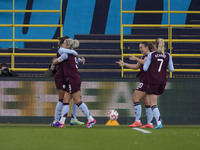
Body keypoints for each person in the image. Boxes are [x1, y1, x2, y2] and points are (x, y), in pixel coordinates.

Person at [52, 36, 96, 128]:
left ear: (67, 46)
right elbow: (76, 59)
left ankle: (90, 119)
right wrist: (77, 55)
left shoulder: (65, 54)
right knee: (66, 100)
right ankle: (61, 122)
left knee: (77, 101)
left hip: (72, 79)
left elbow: (59, 58)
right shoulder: (72, 55)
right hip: (72, 79)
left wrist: (54, 63)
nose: (62, 45)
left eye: (63, 44)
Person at [116, 42, 155, 128]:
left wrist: (135, 58)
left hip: (146, 81)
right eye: (139, 48)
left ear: (147, 47)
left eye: (141, 47)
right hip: (147, 80)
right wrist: (124, 64)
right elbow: (136, 66)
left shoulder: (151, 55)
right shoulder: (143, 56)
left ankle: (138, 121)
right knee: (146, 102)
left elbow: (145, 63)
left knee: (135, 98)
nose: (140, 49)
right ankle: (150, 123)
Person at [50, 36, 85, 127]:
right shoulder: (62, 50)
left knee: (75, 98)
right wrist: (75, 53)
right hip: (61, 77)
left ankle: (73, 118)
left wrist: (80, 59)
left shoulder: (66, 52)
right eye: (67, 42)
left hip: (67, 77)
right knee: (62, 99)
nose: (70, 43)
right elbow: (69, 54)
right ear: (63, 44)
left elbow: (72, 58)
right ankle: (56, 120)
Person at [143, 38, 174, 129]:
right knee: (154, 102)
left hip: (153, 80)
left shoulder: (151, 55)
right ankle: (158, 118)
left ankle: (159, 121)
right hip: (163, 81)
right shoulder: (168, 55)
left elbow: (145, 68)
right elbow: (171, 69)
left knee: (153, 103)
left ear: (155, 45)